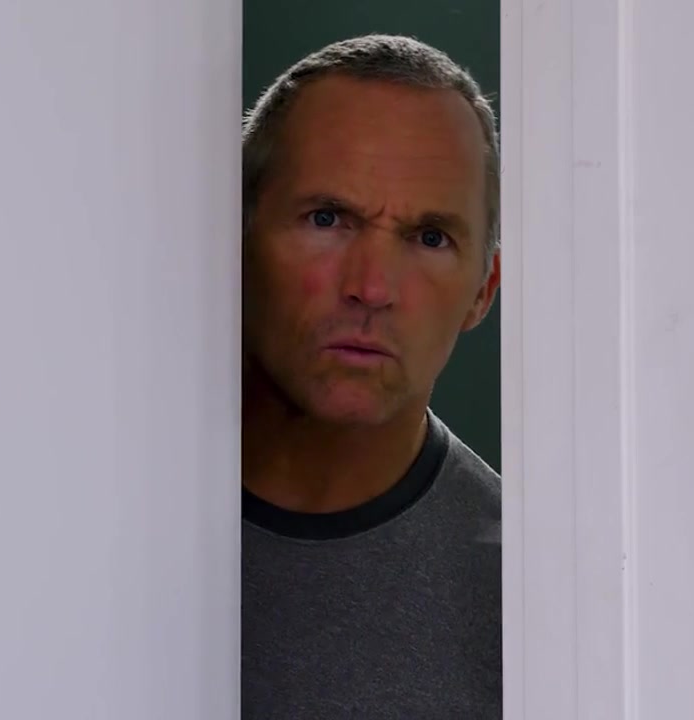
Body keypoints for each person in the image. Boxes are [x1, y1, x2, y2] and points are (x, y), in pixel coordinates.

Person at [241, 35, 502, 718]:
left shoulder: (538, 606)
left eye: (430, 237)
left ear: (483, 290)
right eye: (327, 219)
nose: (372, 287)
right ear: (230, 240)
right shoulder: (81, 520)